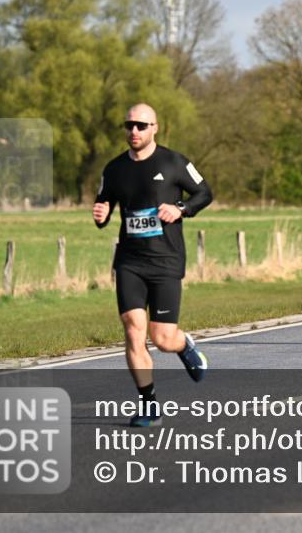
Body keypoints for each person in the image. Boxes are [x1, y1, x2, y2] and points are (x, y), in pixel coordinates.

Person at [93, 103, 213, 427]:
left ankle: (183, 345)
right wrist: (101, 215)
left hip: (166, 261)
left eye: (141, 125)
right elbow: (103, 207)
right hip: (130, 261)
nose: (134, 131)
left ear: (154, 128)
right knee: (134, 330)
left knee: (162, 339)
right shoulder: (114, 169)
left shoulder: (174, 162)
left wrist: (181, 209)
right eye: (129, 125)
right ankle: (149, 406)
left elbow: (204, 193)